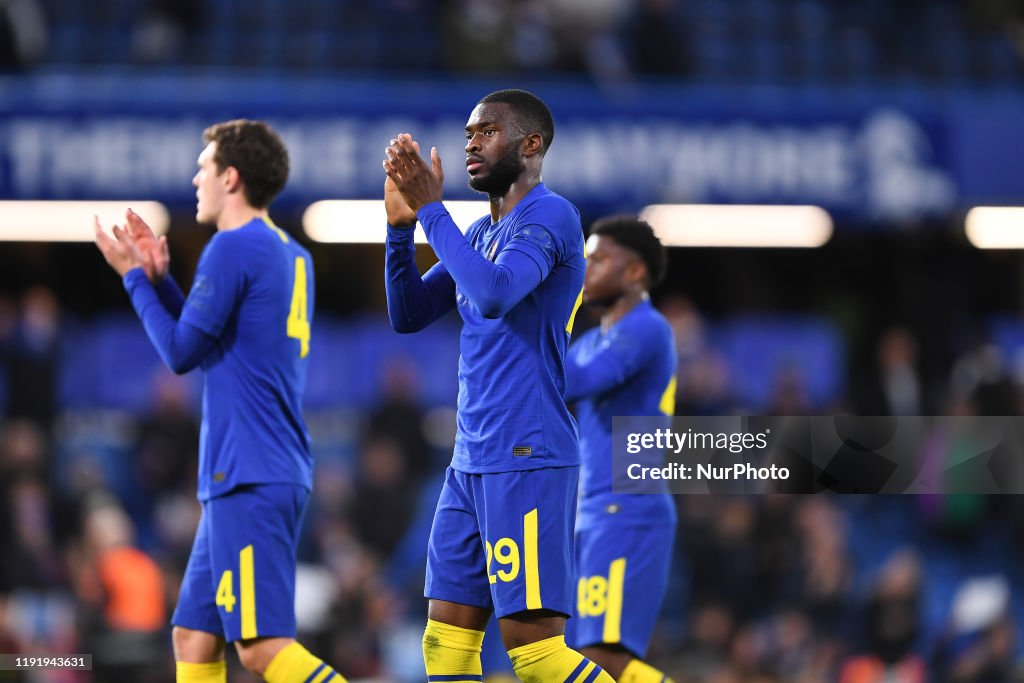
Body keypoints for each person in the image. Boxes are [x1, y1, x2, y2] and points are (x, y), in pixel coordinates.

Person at [95, 119, 345, 683]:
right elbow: (223, 345)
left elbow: (183, 353)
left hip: (250, 472)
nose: (195, 178)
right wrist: (162, 283)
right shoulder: (289, 252)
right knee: (194, 640)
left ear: (230, 177)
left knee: (260, 648)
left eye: (203, 167)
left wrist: (134, 277)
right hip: (259, 467)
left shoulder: (232, 246)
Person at [383, 89, 614, 683]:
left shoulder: (551, 216)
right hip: (470, 460)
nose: (471, 145)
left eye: (486, 132)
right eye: (467, 135)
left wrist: (433, 210)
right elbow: (408, 313)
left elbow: (491, 295)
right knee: (446, 646)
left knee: (535, 655)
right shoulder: (483, 234)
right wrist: (400, 229)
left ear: (531, 143)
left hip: (527, 454)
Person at [563, 215, 678, 683]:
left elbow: (580, 381)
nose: (586, 269)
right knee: (575, 655)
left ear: (634, 273)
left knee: (600, 658)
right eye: (586, 259)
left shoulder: (648, 329)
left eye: (600, 259)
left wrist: (537, 324)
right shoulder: (590, 341)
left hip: (628, 505)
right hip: (591, 510)